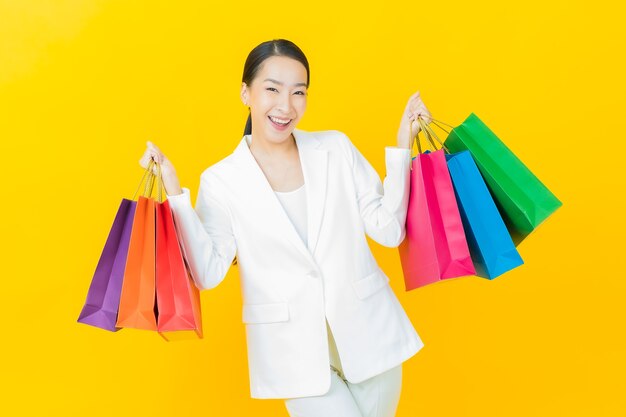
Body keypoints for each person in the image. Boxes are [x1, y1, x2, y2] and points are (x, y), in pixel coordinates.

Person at [139, 38, 432, 417]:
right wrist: (175, 191)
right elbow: (209, 273)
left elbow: (389, 230)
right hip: (292, 354)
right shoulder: (222, 181)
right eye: (272, 89)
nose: (285, 106)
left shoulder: (336, 149)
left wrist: (401, 148)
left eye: (299, 92)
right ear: (246, 93)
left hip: (371, 337)